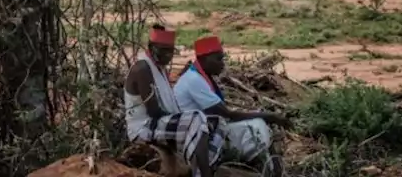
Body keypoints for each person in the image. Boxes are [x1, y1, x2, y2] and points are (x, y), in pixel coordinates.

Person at [174, 35, 290, 176]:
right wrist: (267, 116)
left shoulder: (199, 76)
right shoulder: (194, 80)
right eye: (219, 59)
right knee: (256, 127)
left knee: (257, 127)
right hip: (197, 137)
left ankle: (269, 169)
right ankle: (264, 169)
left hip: (204, 129)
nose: (222, 63)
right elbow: (227, 114)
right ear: (204, 59)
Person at [124, 24, 224, 177]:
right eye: (162, 50)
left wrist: (180, 118)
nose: (167, 55)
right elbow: (153, 111)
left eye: (170, 50)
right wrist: (181, 118)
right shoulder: (143, 68)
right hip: (144, 127)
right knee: (196, 119)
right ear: (151, 47)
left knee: (217, 122)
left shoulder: (160, 68)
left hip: (158, 122)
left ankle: (201, 169)